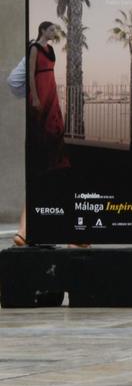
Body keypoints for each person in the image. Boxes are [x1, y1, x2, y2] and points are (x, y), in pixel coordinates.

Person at [15, 22, 66, 246]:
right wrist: (34, 96)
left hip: (51, 86)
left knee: (55, 125)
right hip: (39, 87)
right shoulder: (34, 48)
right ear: (43, 30)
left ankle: (53, 156)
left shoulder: (52, 50)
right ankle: (45, 158)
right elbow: (30, 73)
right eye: (52, 29)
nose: (55, 32)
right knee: (40, 126)